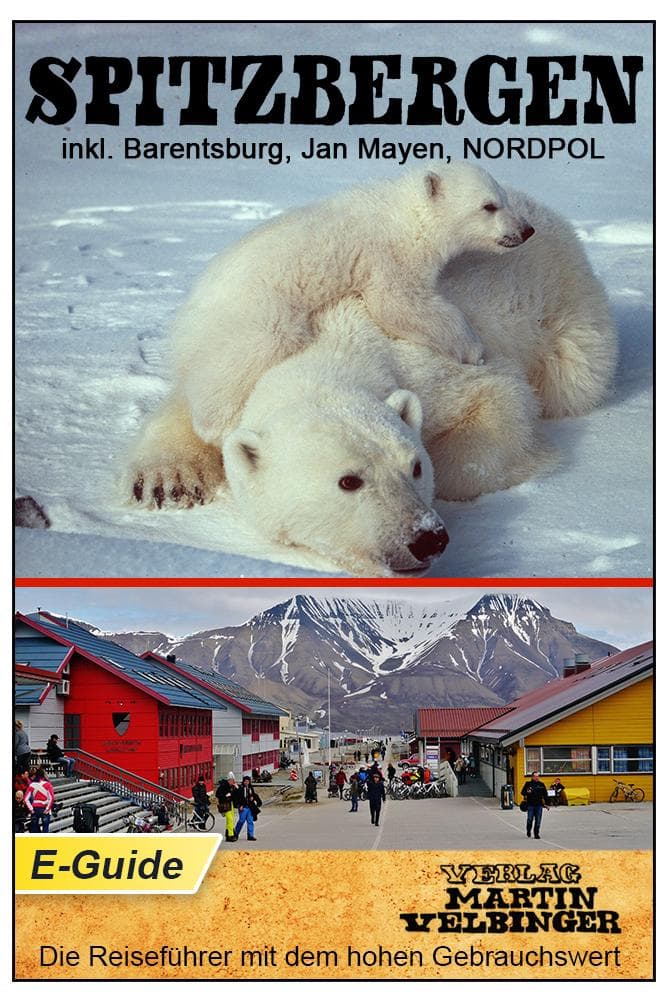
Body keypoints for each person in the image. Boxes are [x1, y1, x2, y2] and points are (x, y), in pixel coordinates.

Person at [25, 768, 55, 833]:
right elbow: (51, 798)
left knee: (34, 829)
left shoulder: (32, 785)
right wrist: (47, 809)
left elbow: (26, 799)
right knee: (45, 829)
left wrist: (31, 809)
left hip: (35, 809)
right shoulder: (48, 784)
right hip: (44, 808)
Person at [521, 771, 550, 839]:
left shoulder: (541, 784)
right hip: (530, 805)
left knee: (538, 820)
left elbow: (545, 795)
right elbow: (522, 792)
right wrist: (527, 792)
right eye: (535, 776)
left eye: (538, 776)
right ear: (532, 777)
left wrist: (547, 804)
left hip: (539, 805)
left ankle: (536, 834)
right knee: (530, 819)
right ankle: (528, 830)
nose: (537, 777)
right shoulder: (528, 784)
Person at [233, 775, 262, 841]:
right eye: (245, 781)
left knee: (250, 821)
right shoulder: (240, 789)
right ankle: (236, 833)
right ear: (243, 782)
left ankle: (250, 835)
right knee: (241, 821)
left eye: (247, 781)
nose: (246, 782)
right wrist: (239, 805)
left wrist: (254, 799)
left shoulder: (251, 788)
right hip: (243, 807)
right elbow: (238, 798)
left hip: (250, 807)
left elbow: (254, 795)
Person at [215, 771, 238, 841]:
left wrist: (237, 788)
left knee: (230, 820)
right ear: (229, 780)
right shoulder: (223, 786)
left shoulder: (232, 786)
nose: (233, 782)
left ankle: (228, 833)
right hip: (225, 804)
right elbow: (218, 795)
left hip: (230, 804)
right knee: (230, 819)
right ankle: (230, 835)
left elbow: (236, 795)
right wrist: (226, 796)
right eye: (232, 781)